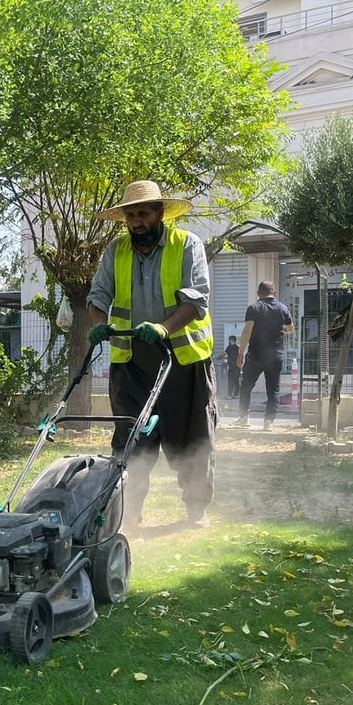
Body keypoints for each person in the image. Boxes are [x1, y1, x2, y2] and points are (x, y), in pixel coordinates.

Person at [86, 180, 216, 530]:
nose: (136, 222)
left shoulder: (186, 245)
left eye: (143, 213)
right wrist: (99, 323)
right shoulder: (116, 251)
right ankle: (127, 515)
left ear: (160, 212)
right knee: (130, 439)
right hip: (131, 363)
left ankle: (195, 510)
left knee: (191, 437)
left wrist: (164, 327)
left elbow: (196, 300)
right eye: (130, 216)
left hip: (183, 360)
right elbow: (98, 296)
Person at [232, 281, 294, 431]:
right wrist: (280, 330)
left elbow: (247, 331)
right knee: (273, 389)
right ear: (275, 293)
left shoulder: (254, 308)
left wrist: (240, 352)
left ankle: (244, 418)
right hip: (275, 355)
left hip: (256, 355)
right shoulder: (283, 308)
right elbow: (291, 329)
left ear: (258, 293)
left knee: (246, 386)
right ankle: (268, 422)